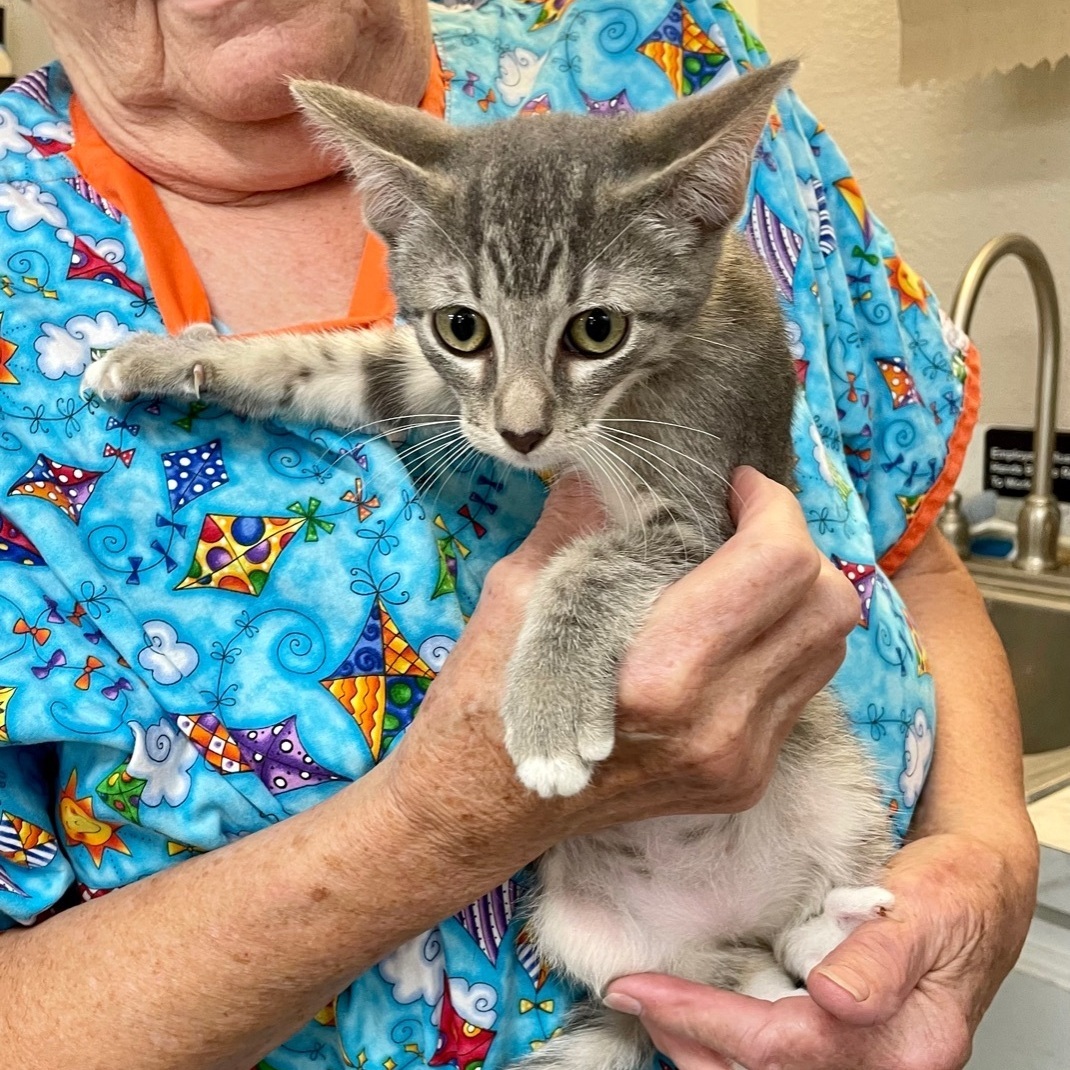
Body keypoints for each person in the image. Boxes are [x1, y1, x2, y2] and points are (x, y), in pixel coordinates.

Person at [0, 2, 1036, 1068]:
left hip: (820, 869)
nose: (520, 420)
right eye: (463, 331)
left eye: (592, 330)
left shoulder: (659, 48)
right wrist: (449, 813)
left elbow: (908, 542)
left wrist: (985, 868)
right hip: (608, 932)